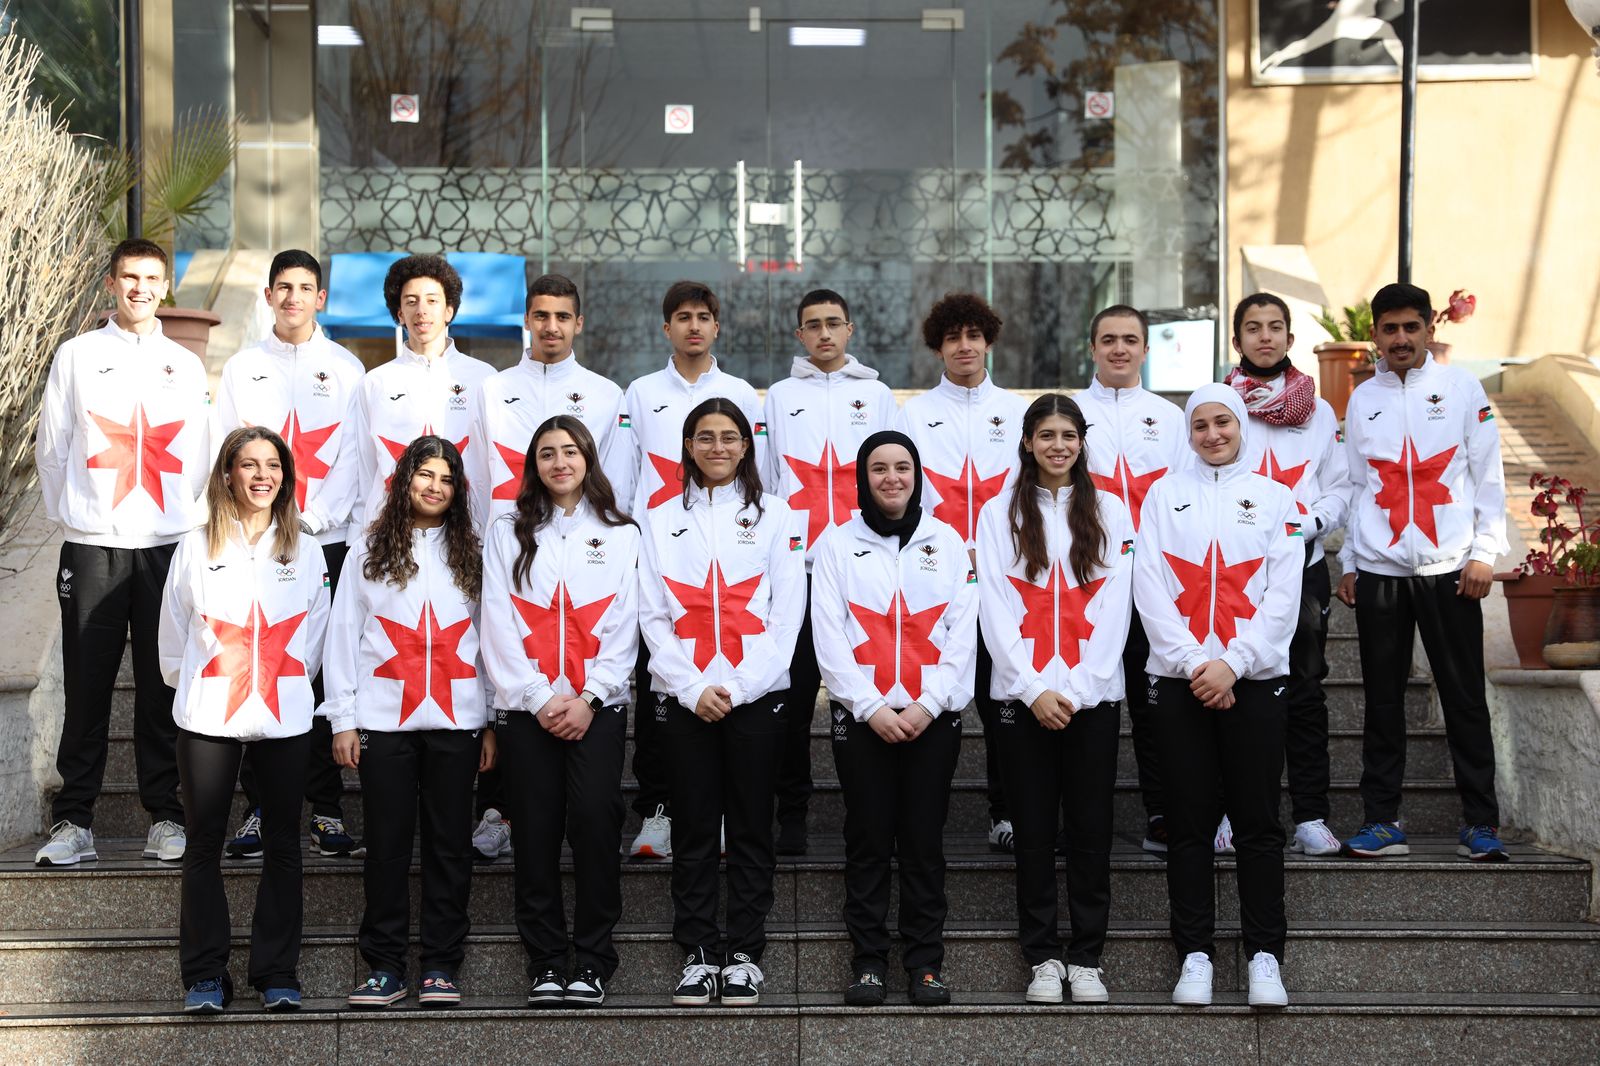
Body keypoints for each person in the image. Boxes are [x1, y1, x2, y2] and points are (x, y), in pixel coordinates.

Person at [34, 237, 213, 867]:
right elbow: (53, 447)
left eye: (151, 278)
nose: (140, 288)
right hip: (93, 547)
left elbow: (200, 455)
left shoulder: (185, 365)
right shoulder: (77, 355)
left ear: (165, 286)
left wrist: (177, 522)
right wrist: (80, 517)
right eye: (129, 277)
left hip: (166, 548)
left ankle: (165, 815)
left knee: (161, 688)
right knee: (87, 688)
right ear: (111, 284)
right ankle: (73, 822)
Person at [1133, 383, 1302, 1009]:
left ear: (1241, 428)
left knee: (1258, 823)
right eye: (1200, 425)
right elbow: (1148, 584)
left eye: (1222, 422)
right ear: (1189, 434)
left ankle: (1264, 956)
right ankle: (1195, 954)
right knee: (1188, 823)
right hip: (1180, 683)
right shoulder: (1163, 495)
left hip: (1254, 683)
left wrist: (1232, 664)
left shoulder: (1276, 498)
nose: (1212, 434)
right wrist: (1194, 664)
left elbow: (1283, 597)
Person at [157, 427, 330, 1013]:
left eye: (273, 465)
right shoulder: (194, 545)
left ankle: (276, 971)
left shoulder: (306, 549)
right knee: (203, 842)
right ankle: (205, 975)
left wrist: (280, 685)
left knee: (284, 843)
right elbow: (173, 637)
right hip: (208, 714)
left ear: (286, 476)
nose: (262, 475)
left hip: (284, 715)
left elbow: (315, 636)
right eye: (249, 464)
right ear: (227, 474)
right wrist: (202, 687)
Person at [1335, 282, 1509, 861]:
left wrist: (1485, 552)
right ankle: (1382, 820)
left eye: (1412, 327)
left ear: (1429, 329)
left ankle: (1480, 823)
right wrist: (1351, 561)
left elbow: (1488, 474)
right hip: (1380, 571)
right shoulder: (1363, 398)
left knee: (1464, 698)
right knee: (1383, 703)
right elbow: (1357, 486)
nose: (1401, 338)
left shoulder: (1461, 388)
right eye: (1390, 329)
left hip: (1451, 567)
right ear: (1375, 335)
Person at [639, 398, 804, 1007]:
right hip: (686, 699)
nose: (717, 447)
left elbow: (787, 615)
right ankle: (699, 953)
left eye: (729, 437)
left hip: (755, 698)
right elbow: (652, 616)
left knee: (753, 827)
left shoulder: (779, 516)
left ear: (746, 445)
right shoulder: (657, 519)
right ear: (688, 446)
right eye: (705, 437)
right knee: (694, 828)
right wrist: (692, 688)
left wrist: (738, 688)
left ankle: (744, 956)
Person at [322, 436, 493, 1009]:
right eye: (425, 475)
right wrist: (342, 719)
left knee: (450, 846)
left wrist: (490, 719)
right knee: (387, 847)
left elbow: (491, 640)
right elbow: (342, 636)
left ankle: (441, 964)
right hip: (383, 721)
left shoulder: (475, 552)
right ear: (403, 480)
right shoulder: (367, 549)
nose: (435, 487)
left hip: (458, 721)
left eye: (446, 479)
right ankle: (385, 966)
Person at [977, 394, 1134, 1006]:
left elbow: (1118, 605)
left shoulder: (1111, 509)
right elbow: (993, 605)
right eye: (1046, 435)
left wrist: (1082, 689)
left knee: (1091, 831)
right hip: (1023, 700)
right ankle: (1042, 956)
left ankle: (1087, 958)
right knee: (1035, 832)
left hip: (1093, 699)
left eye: (1069, 435)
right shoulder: (998, 513)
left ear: (1082, 442)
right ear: (1027, 442)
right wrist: (1034, 688)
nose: (1058, 445)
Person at [811, 430, 976, 1007]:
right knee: (868, 839)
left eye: (902, 467)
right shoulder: (837, 545)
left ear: (917, 474)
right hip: (863, 720)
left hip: (934, 718)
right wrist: (870, 707)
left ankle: (925, 963)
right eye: (878, 468)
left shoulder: (948, 542)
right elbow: (828, 635)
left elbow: (963, 633)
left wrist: (929, 705)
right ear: (862, 477)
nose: (891, 478)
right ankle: (868, 963)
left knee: (924, 841)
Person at [480, 416, 638, 1009]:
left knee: (596, 822)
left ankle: (593, 960)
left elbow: (627, 620)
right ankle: (546, 959)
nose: (559, 463)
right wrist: (539, 697)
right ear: (534, 466)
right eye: (546, 454)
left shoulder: (622, 532)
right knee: (535, 829)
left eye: (570, 451)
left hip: (598, 708)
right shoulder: (506, 530)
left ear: (588, 458)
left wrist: (591, 696)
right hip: (528, 710)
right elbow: (496, 617)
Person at [468, 273, 624, 862]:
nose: (551, 327)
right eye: (541, 315)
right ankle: (496, 810)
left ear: (578, 323)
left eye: (562, 316)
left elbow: (614, 483)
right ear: (527, 321)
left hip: (581, 557)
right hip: (506, 549)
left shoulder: (605, 393)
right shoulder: (492, 388)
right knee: (499, 664)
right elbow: (478, 476)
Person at [214, 249, 364, 859]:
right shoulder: (242, 367)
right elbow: (227, 452)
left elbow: (353, 459)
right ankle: (260, 807)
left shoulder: (348, 368)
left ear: (320, 298)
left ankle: (325, 807)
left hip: (325, 543)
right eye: (284, 287)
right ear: (269, 296)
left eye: (305, 288)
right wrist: (259, 524)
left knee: (322, 673)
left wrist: (308, 522)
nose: (294, 297)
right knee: (263, 663)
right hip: (255, 544)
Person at [611, 281, 766, 861]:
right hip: (662, 557)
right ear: (666, 328)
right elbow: (625, 475)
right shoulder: (641, 392)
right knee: (660, 683)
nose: (694, 326)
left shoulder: (741, 392)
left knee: (727, 689)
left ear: (717, 327)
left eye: (704, 316)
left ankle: (718, 813)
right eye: (683, 317)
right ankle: (658, 811)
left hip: (730, 563)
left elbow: (762, 475)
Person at [762, 289, 897, 856]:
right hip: (797, 572)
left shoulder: (879, 395)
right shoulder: (779, 396)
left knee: (866, 693)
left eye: (833, 324)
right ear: (800, 335)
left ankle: (874, 811)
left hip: (861, 569)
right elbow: (767, 481)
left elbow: (895, 475)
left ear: (850, 329)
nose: (823, 333)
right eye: (812, 325)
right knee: (792, 700)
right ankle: (791, 811)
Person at [895, 292, 1026, 855]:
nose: (964, 346)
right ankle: (913, 815)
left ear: (989, 340)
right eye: (953, 337)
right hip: (935, 580)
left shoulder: (1018, 412)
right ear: (938, 347)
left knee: (1003, 702)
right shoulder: (913, 415)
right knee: (928, 693)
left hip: (1008, 581)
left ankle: (1007, 811)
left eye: (974, 335)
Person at [1224, 293, 1349, 857]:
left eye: (1275, 327)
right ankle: (1232, 812)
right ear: (1237, 340)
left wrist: (1305, 526)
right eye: (1253, 328)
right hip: (1233, 574)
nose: (1265, 337)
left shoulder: (1319, 412)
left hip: (1304, 570)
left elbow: (1339, 488)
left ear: (1290, 339)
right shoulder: (1219, 405)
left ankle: (1310, 815)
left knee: (1303, 691)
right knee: (1234, 688)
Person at [1071, 304, 1184, 855]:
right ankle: (1071, 816)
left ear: (1145, 349)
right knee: (1078, 695)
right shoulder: (1069, 412)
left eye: (1130, 340)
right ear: (1092, 347)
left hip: (1154, 584)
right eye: (1109, 339)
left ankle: (1161, 810)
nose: (1119, 349)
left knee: (1151, 703)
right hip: (1082, 581)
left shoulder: (1171, 417)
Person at [349, 254, 496, 537]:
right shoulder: (374, 383)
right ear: (399, 313)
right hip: (391, 534)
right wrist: (361, 535)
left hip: (467, 532)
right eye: (411, 301)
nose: (421, 311)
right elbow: (366, 471)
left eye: (432, 300)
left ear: (449, 310)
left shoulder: (485, 378)